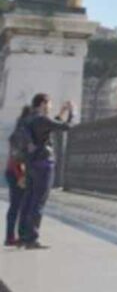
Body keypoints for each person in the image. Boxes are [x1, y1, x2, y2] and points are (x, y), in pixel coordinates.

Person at [17, 94, 74, 249]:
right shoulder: (43, 119)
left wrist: (61, 112)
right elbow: (66, 127)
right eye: (49, 104)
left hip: (31, 165)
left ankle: (22, 236)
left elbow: (50, 125)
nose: (50, 107)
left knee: (28, 200)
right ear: (43, 104)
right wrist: (71, 112)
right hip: (44, 164)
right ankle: (32, 239)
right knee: (38, 202)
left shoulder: (28, 120)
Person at [5, 106, 33, 246]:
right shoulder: (20, 134)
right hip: (16, 172)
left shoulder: (22, 132)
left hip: (17, 172)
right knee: (16, 205)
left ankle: (15, 236)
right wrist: (21, 175)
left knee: (19, 205)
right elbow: (16, 157)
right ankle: (10, 237)